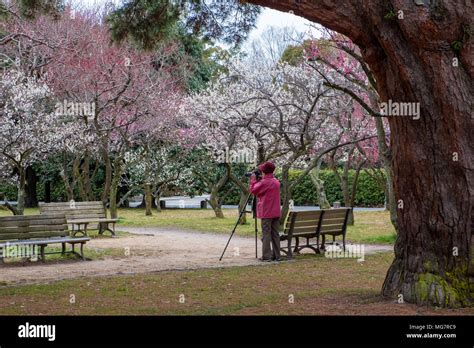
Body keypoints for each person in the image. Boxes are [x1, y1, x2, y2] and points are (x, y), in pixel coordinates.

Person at [249, 161, 282, 262]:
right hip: (276, 212)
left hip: (266, 213)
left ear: (264, 171)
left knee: (266, 233)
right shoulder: (276, 182)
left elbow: (253, 191)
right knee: (275, 234)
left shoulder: (263, 182)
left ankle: (266, 256)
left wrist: (253, 180)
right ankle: (277, 255)